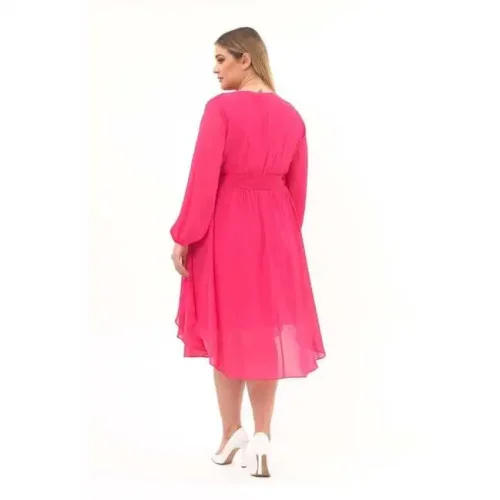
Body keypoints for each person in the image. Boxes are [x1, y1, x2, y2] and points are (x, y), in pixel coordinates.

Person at [170, 27, 326, 477]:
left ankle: (230, 433)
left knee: (226, 326)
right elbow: (297, 190)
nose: (215, 69)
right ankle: (261, 436)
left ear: (246, 59)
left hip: (227, 229)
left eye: (222, 59)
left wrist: (185, 234)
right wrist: (281, 238)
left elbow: (203, 178)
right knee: (266, 329)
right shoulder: (291, 116)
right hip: (278, 232)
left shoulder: (220, 109)